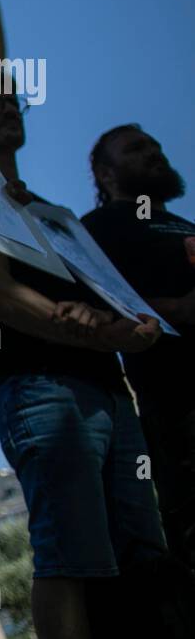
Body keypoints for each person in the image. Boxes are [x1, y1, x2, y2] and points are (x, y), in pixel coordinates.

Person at [0, 91, 165, 639]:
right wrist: (86, 327)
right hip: (42, 389)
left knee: (143, 552)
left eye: (12, 100)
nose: (8, 108)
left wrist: (130, 327)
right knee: (71, 553)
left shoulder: (53, 213)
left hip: (110, 393)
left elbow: (121, 308)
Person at [83, 124, 195, 569]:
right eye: (136, 148)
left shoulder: (182, 224)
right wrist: (179, 308)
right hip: (179, 404)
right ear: (105, 174)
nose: (153, 152)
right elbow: (96, 306)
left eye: (154, 144)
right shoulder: (98, 229)